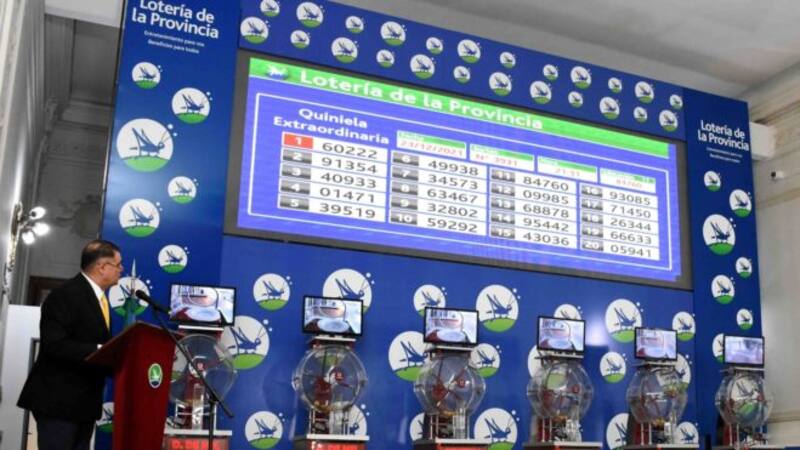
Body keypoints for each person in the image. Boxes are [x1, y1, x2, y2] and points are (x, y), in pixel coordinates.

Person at [18, 240, 123, 450]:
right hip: (59, 402)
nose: (121, 269)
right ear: (102, 267)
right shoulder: (65, 295)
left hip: (84, 404)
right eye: (118, 264)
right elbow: (55, 344)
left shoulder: (100, 299)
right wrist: (101, 350)